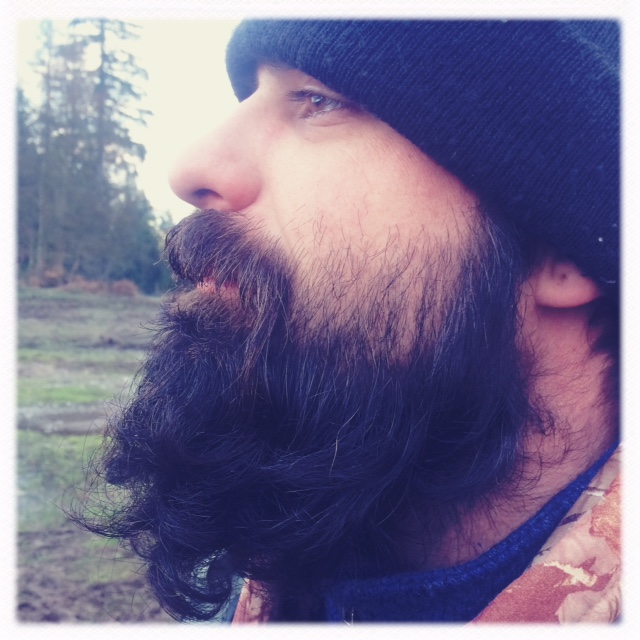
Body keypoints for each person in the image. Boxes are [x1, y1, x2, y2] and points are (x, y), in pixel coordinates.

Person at [77, 20, 620, 623]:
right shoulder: (250, 584)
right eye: (252, 95)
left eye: (319, 100)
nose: (190, 169)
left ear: (561, 250)